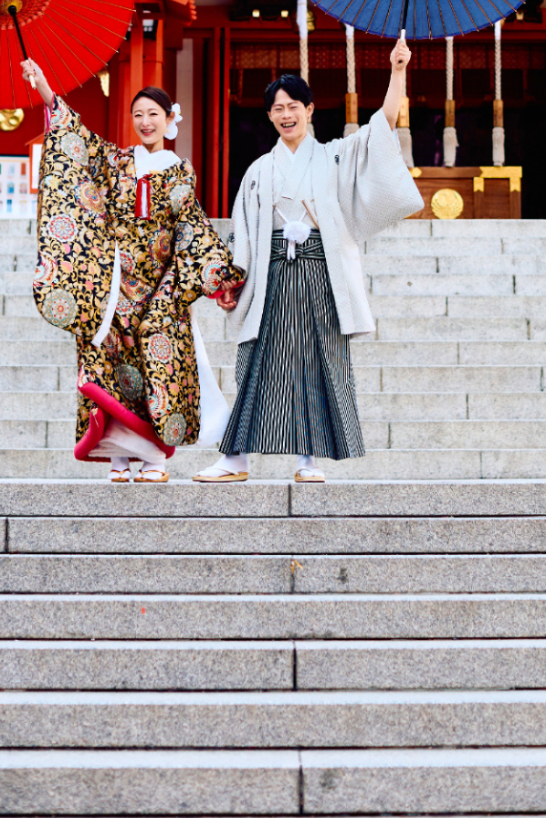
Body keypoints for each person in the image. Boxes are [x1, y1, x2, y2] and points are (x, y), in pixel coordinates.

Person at [195, 35, 422, 483]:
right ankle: (235, 458)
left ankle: (308, 460)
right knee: (256, 361)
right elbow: (242, 234)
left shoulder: (335, 153)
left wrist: (398, 70)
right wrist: (231, 282)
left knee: (318, 360)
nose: (285, 114)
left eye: (293, 105)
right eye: (277, 108)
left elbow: (383, 125)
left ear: (310, 109)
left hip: (320, 272)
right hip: (271, 274)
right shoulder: (260, 169)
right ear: (269, 116)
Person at [22, 59, 243, 482]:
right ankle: (118, 458)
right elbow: (77, 140)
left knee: (152, 369)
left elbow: (192, 229)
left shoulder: (181, 173)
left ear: (168, 119)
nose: (144, 122)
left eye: (153, 114)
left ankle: (155, 459)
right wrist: (46, 87)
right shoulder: (117, 161)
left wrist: (220, 280)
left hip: (160, 286)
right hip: (112, 285)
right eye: (138, 114)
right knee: (111, 367)